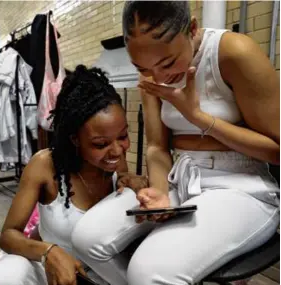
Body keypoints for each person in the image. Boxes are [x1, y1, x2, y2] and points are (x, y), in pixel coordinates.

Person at [71, 1, 280, 285]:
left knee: (148, 272)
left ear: (192, 28)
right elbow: (157, 146)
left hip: (240, 185)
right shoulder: (151, 73)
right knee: (87, 239)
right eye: (141, 67)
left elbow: (276, 151)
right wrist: (159, 193)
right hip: (179, 178)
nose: (156, 77)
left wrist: (197, 117)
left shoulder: (233, 52)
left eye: (167, 63)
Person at [0, 65, 130, 285]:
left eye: (122, 136)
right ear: (75, 139)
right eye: (101, 144)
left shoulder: (116, 165)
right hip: (51, 274)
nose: (117, 151)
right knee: (8, 275)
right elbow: (8, 235)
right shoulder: (45, 165)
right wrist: (48, 252)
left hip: (97, 277)